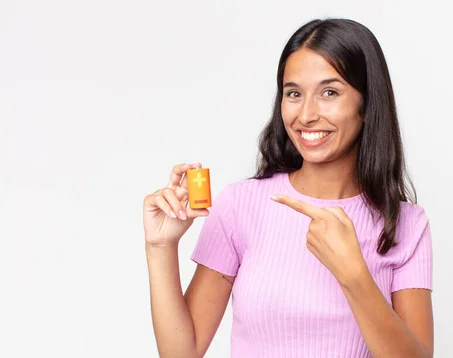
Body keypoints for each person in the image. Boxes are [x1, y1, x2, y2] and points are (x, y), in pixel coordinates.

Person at [143, 18, 434, 358]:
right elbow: (182, 353)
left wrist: (354, 274)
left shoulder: (406, 224)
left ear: (367, 105)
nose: (306, 114)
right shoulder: (240, 205)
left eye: (329, 92)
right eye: (293, 93)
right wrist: (160, 247)